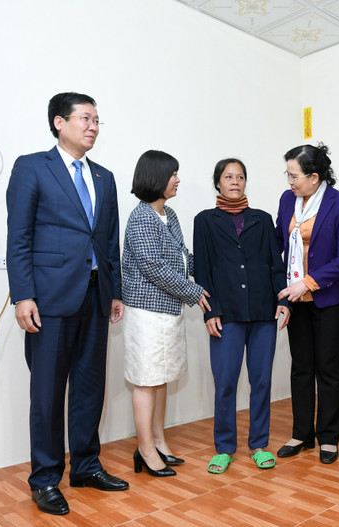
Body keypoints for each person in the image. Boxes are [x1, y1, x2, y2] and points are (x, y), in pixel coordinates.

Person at [6, 92, 128, 516]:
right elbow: (18, 237)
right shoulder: (31, 167)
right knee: (47, 394)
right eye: (85, 118)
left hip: (96, 294)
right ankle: (44, 479)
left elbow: (108, 240)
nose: (93, 126)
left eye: (97, 120)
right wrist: (22, 294)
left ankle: (86, 467)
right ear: (60, 122)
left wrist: (115, 291)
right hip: (50, 298)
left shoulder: (104, 177)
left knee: (90, 388)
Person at [193, 158, 290, 474]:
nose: (235, 181)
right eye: (228, 176)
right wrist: (210, 312)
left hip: (263, 312)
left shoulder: (262, 220)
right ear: (218, 182)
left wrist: (283, 300)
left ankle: (259, 444)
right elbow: (202, 270)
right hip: (227, 314)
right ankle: (224, 448)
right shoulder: (205, 221)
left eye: (240, 176)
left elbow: (276, 264)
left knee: (261, 381)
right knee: (225, 382)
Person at [122, 150, 211, 478]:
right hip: (146, 313)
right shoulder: (141, 216)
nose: (177, 179)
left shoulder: (168, 214)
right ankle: (144, 448)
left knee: (160, 379)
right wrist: (195, 291)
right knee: (146, 381)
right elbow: (154, 267)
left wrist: (212, 269)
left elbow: (183, 257)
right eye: (172, 174)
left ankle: (158, 440)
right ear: (155, 178)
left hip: (167, 311)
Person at [274, 144, 339, 464]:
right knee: (301, 367)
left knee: (327, 366)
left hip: (327, 298)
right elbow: (278, 243)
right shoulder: (286, 200)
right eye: (288, 175)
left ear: (314, 176)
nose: (290, 181)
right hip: (295, 301)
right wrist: (280, 290)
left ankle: (329, 437)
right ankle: (301, 433)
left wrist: (306, 283)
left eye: (294, 176)